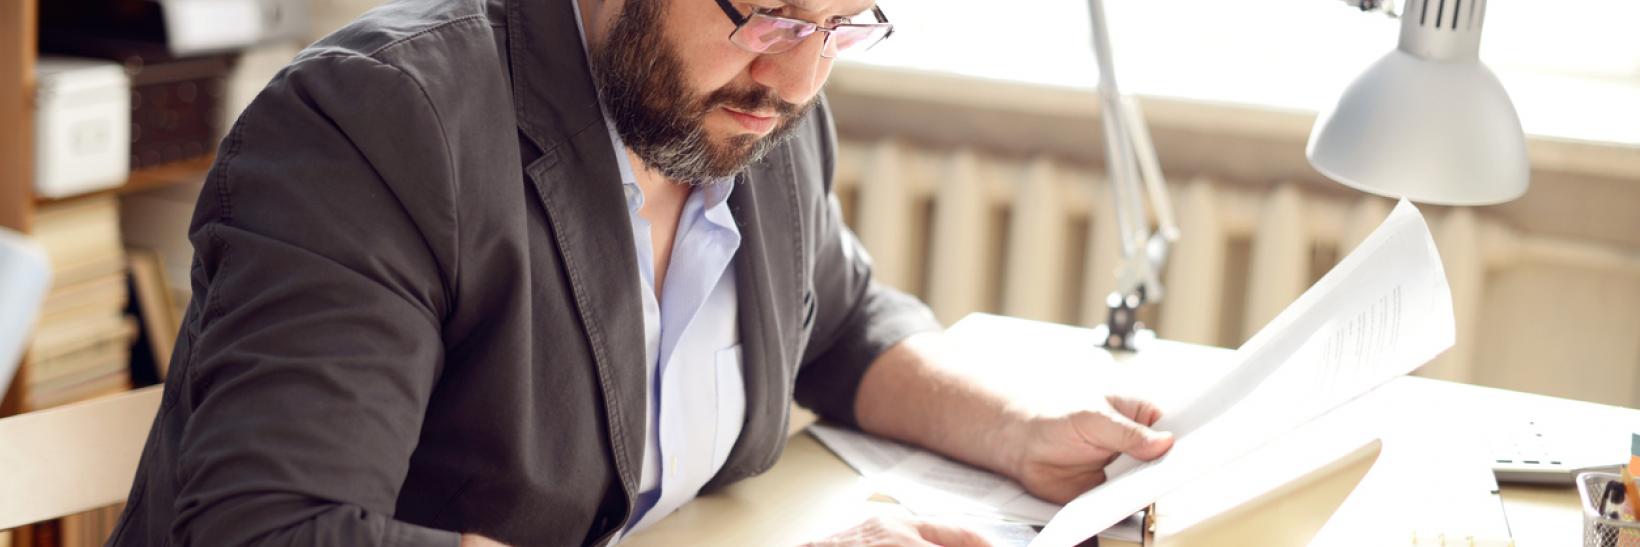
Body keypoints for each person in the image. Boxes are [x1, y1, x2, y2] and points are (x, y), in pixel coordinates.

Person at [108, 0, 1175, 545]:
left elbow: (839, 325)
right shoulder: (381, 123)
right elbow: (277, 530)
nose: (797, 76)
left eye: (841, 24)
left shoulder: (755, 109)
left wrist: (1018, 432)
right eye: (767, 14)